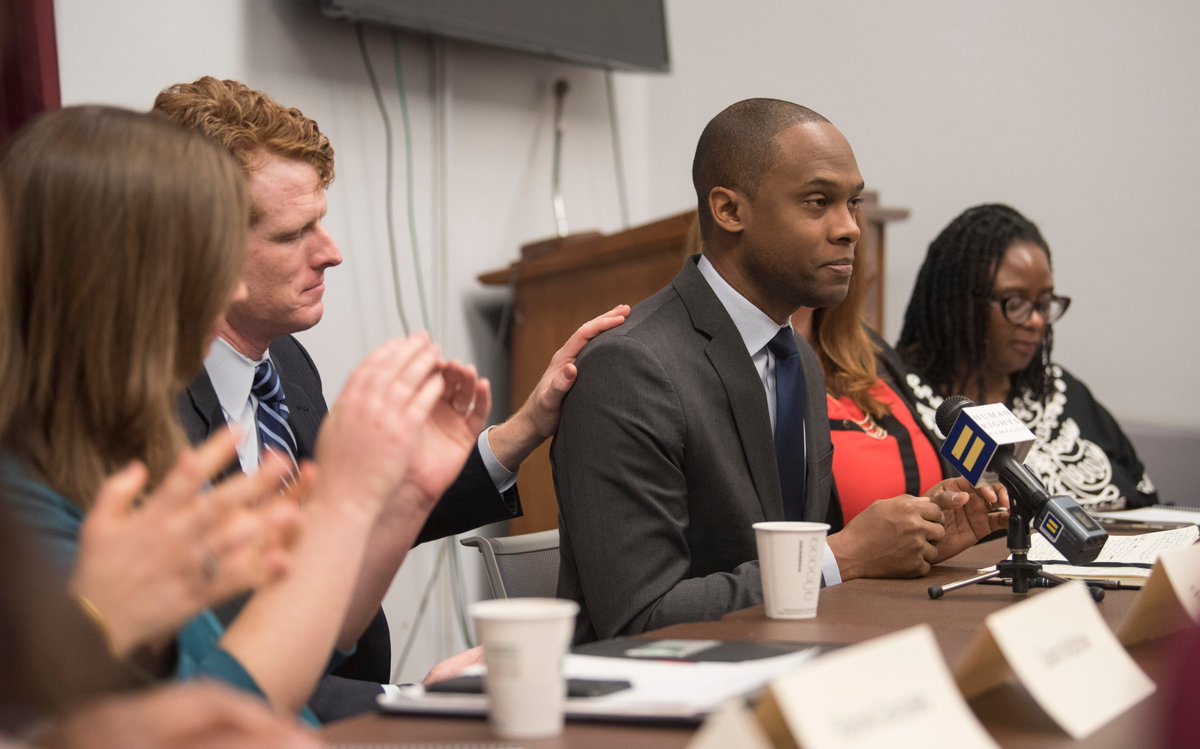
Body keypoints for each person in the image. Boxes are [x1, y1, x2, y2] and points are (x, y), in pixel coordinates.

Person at [152, 76, 628, 716]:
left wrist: (524, 428)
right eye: (296, 234)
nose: (332, 253)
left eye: (323, 222)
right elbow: (209, 676)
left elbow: (350, 526)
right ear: (205, 252)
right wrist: (411, 701)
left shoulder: (285, 363)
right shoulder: (147, 416)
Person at [0, 105, 477, 723]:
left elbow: (250, 669)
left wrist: (398, 493)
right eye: (207, 262)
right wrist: (347, 504)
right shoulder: (28, 495)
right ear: (121, 281)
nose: (227, 290)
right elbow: (219, 717)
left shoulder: (120, 452)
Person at [552, 98, 1007, 644]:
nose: (849, 229)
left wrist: (922, 537)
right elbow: (638, 618)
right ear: (729, 211)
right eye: (818, 202)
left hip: (788, 670)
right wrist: (840, 556)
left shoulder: (796, 359)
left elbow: (781, 556)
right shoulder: (630, 368)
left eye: (853, 203)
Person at [896, 204, 1156, 510]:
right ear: (959, 302)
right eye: (1016, 302)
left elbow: (1147, 502)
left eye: (1044, 303)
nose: (1036, 321)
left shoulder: (1060, 391)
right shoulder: (899, 402)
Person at [791, 259, 950, 524]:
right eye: (817, 214)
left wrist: (945, 526)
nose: (847, 230)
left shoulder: (868, 349)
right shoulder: (745, 365)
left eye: (852, 215)